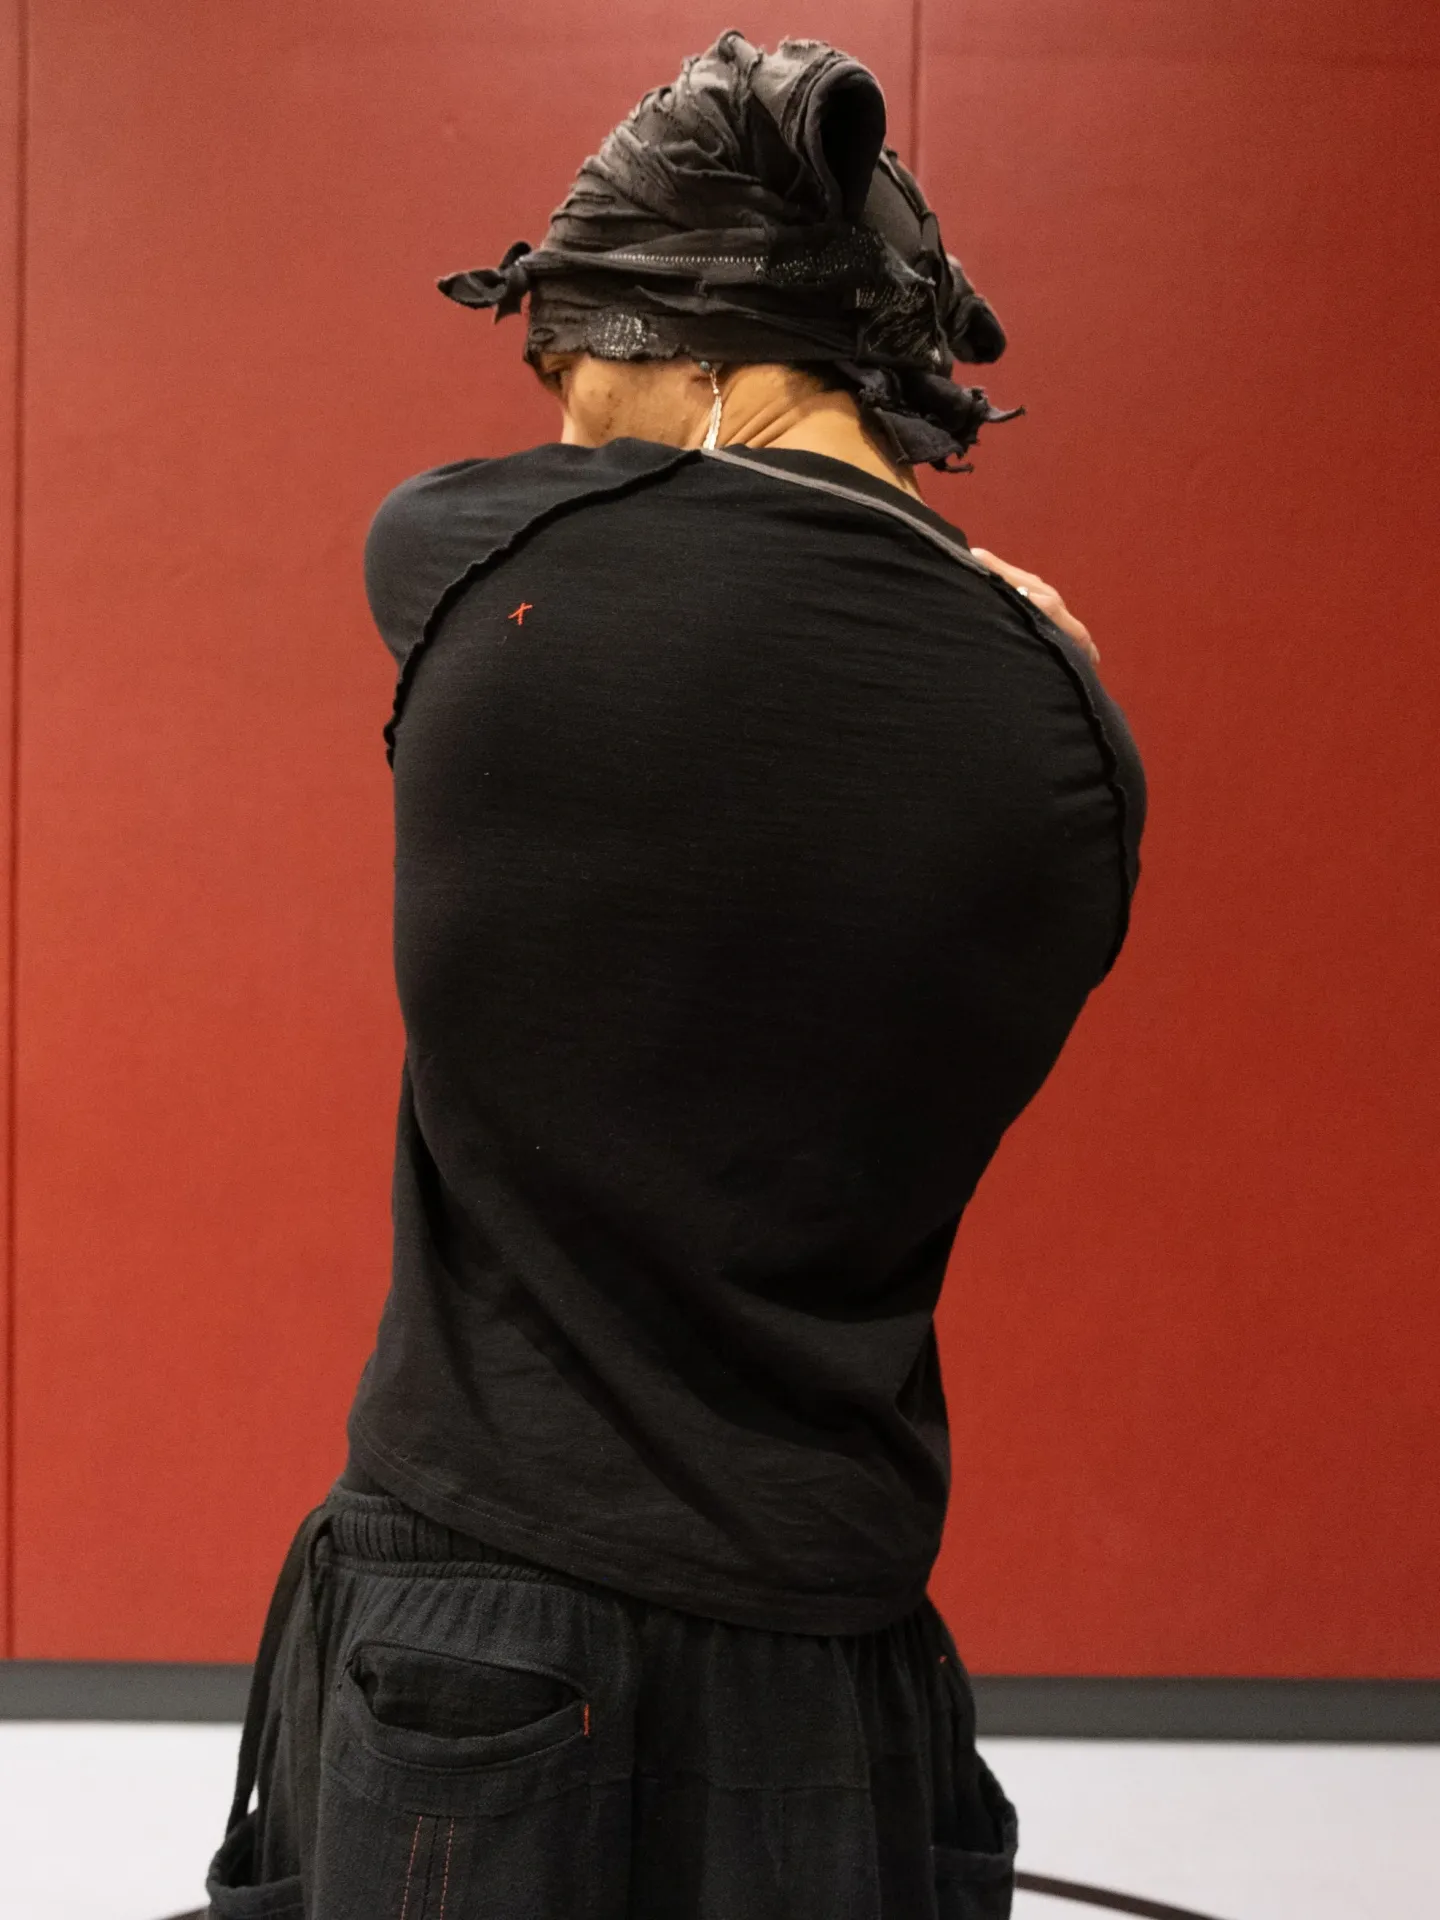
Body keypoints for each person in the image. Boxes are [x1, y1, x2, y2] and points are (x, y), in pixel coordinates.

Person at [204, 30, 1145, 1920]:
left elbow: (459, 517)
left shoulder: (486, 566)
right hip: (831, 1639)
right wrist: (985, 600)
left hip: (478, 1607)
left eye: (578, 371)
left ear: (692, 345)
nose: (568, 433)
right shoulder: (1066, 727)